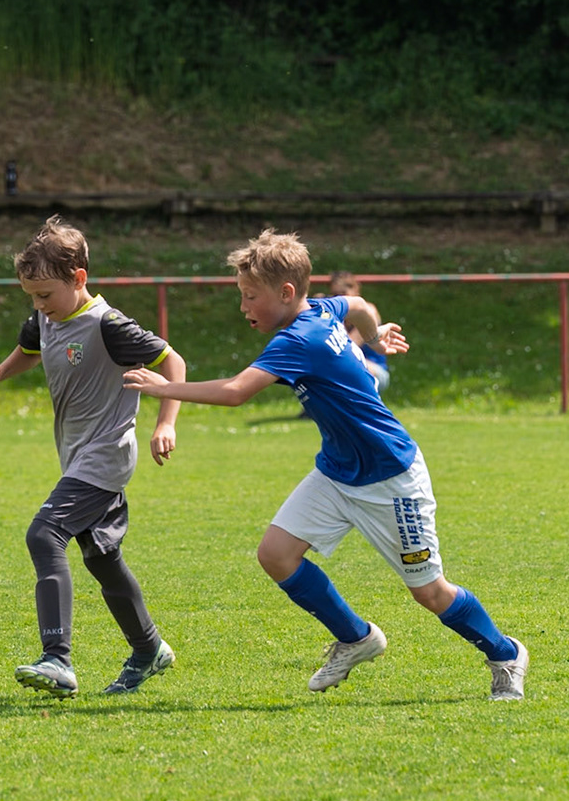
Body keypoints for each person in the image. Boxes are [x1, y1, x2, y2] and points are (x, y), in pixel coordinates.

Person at [124, 229, 530, 700]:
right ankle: (356, 638)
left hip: (390, 478)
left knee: (430, 592)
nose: (243, 306)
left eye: (250, 296)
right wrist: (375, 337)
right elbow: (358, 307)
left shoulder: (300, 339)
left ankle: (506, 654)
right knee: (276, 554)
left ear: (286, 292)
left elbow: (236, 392)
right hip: (337, 472)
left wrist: (162, 388)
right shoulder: (321, 309)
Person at [0, 217, 187, 697]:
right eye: (31, 296)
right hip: (77, 455)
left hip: (106, 454)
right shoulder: (47, 317)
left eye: (45, 294)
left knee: (44, 534)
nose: (38, 305)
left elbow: (173, 362)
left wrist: (165, 423)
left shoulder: (108, 325)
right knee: (102, 558)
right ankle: (149, 648)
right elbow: (29, 348)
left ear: (79, 278)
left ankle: (57, 659)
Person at [326, 270, 390, 392]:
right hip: (346, 367)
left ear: (356, 290)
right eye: (334, 295)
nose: (339, 299)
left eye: (343, 293)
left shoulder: (368, 311)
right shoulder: (335, 313)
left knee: (338, 365)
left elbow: (346, 347)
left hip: (375, 370)